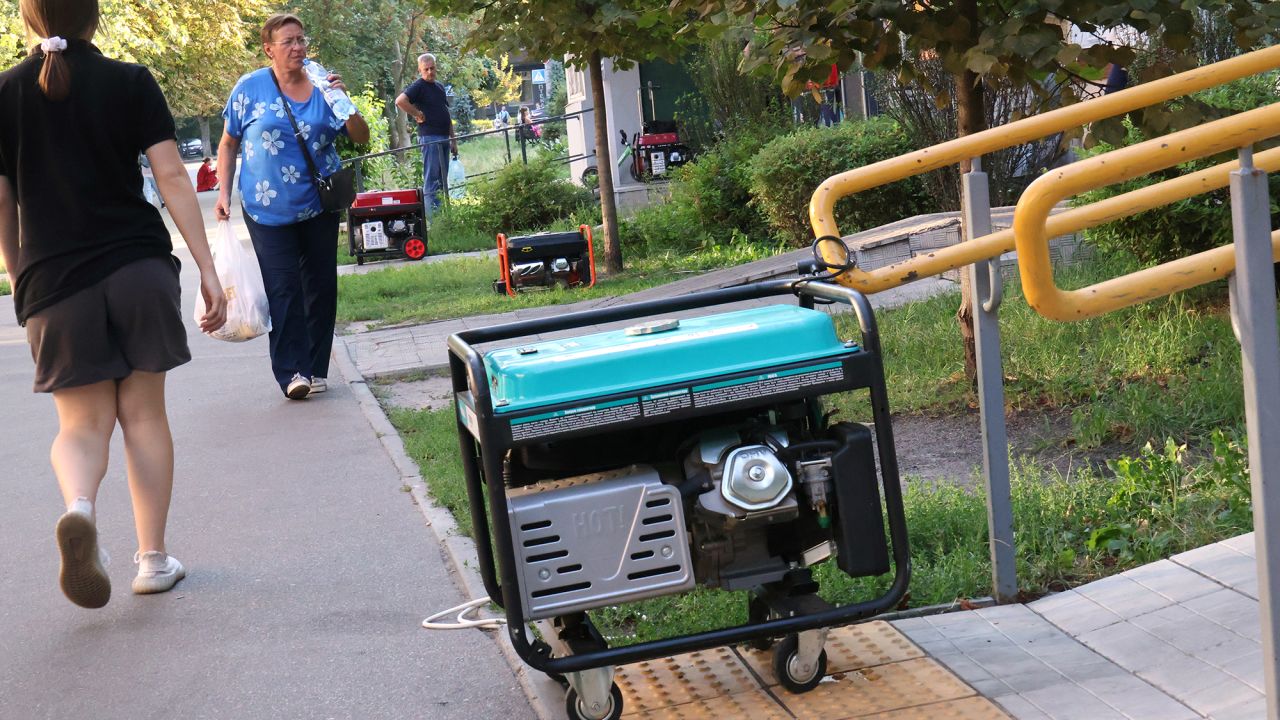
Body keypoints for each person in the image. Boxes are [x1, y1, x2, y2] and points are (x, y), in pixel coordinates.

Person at [0, 0, 228, 608]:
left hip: (55, 283)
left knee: (81, 424)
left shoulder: (3, 93)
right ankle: (153, 560)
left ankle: (80, 509)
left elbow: (2, 206)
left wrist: (22, 281)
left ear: (29, 20)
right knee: (144, 416)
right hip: (138, 269)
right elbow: (174, 177)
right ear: (94, 18)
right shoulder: (130, 80)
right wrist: (207, 270)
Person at [215, 13, 369, 400]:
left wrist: (344, 101)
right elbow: (229, 143)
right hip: (267, 211)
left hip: (318, 203)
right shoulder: (249, 88)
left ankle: (315, 368)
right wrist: (222, 193)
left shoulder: (322, 85)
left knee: (320, 285)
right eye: (289, 42)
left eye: (301, 40)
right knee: (283, 288)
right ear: (269, 49)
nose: (298, 47)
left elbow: (360, 137)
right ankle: (292, 372)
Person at [395, 53, 457, 218]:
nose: (430, 72)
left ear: (436, 67)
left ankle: (445, 217)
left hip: (444, 137)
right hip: (430, 138)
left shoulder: (439, 87)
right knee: (432, 180)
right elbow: (400, 101)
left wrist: (453, 139)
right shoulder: (419, 86)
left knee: (443, 180)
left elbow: (446, 113)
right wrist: (417, 113)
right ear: (420, 70)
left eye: (432, 68)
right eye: (426, 69)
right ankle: (433, 221)